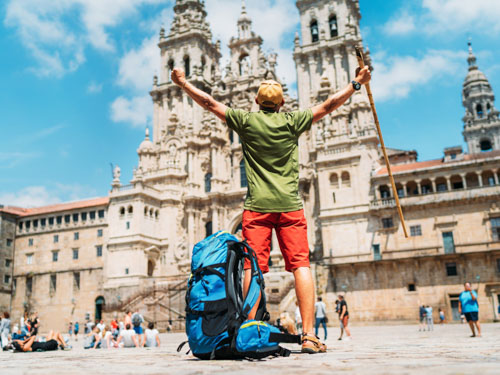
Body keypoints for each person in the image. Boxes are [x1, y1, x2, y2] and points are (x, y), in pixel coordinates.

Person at [171, 62, 371, 354]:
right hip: (290, 205)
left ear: (255, 101)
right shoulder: (293, 120)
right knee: (301, 265)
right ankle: (308, 335)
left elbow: (209, 102)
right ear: (282, 103)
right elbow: (328, 105)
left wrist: (183, 84)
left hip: (256, 207)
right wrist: (356, 84)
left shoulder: (246, 121)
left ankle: (247, 330)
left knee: (253, 268)